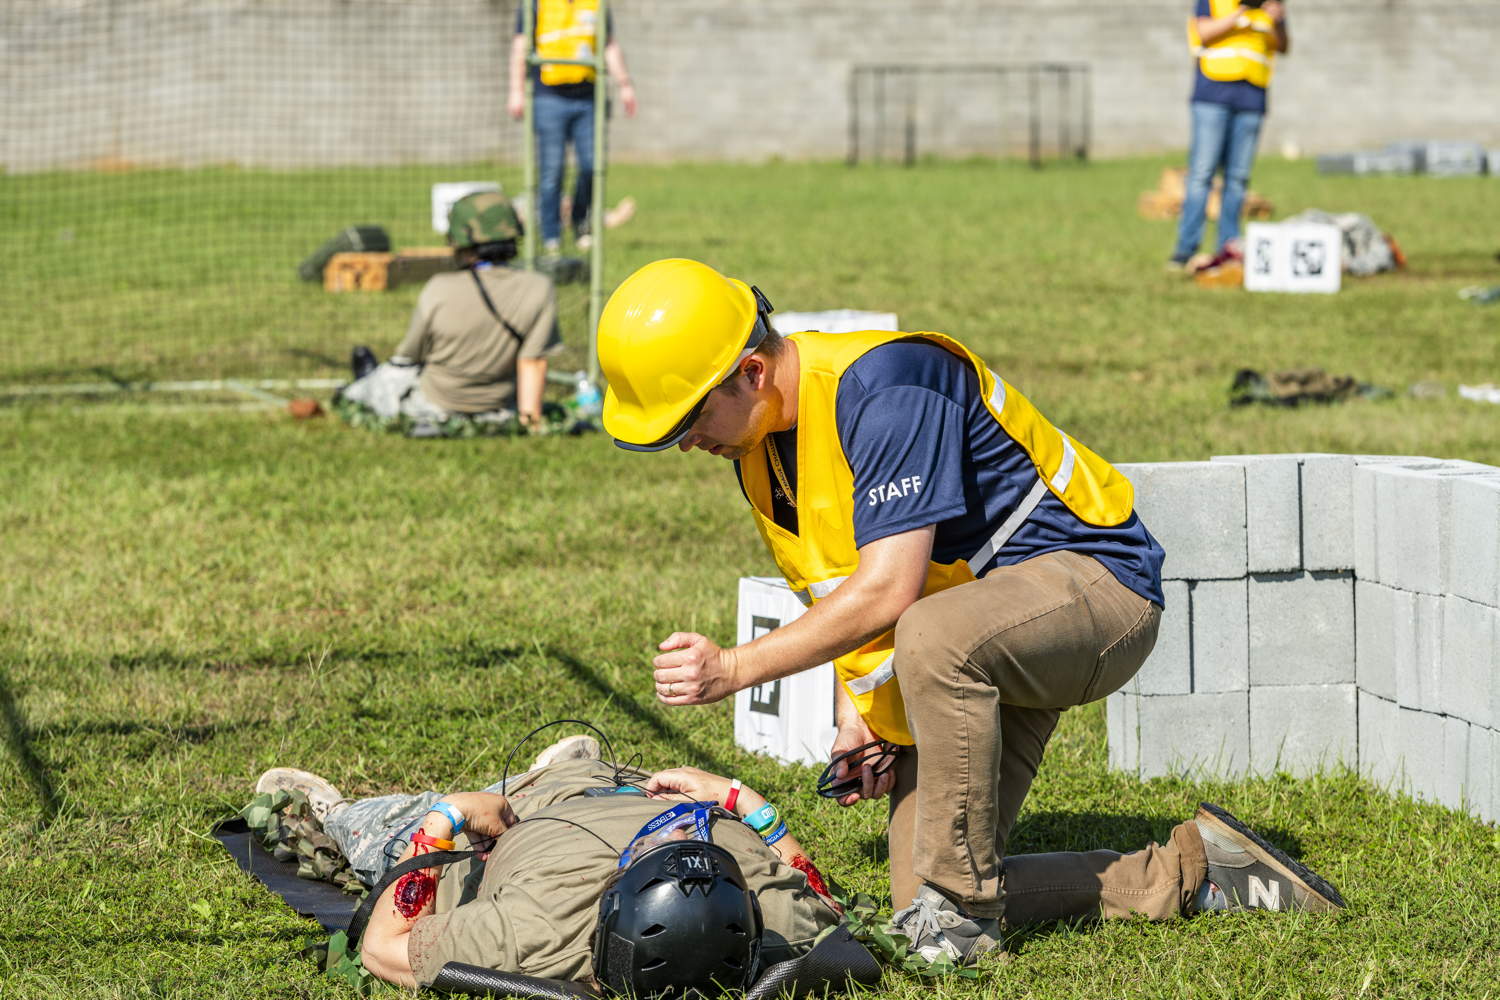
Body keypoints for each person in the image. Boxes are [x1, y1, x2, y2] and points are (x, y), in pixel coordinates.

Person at [595, 258, 1344, 966]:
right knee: (909, 896)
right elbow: (836, 590)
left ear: (751, 372)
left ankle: (961, 912)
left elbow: (890, 594)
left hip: (1100, 593)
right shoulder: (760, 450)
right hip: (976, 631)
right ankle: (1192, 871)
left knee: (937, 673)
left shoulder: (884, 387)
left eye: (687, 420)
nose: (687, 443)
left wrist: (733, 668)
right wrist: (864, 716)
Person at [253, 736, 844, 994]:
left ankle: (337, 816)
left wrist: (447, 819)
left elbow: (384, 947)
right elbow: (825, 902)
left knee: (386, 838)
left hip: (527, 813)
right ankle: (558, 768)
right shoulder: (772, 916)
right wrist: (739, 798)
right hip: (624, 785)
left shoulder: (533, 931)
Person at [337, 191, 561, 434]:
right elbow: (533, 361)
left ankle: (365, 381)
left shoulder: (440, 287)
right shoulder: (539, 288)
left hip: (436, 402)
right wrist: (530, 422)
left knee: (385, 378)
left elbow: (410, 354)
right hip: (498, 405)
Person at [508, 0, 638, 255]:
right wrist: (516, 91)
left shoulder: (596, 4)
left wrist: (625, 84)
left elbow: (608, 44)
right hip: (548, 97)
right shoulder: (535, 4)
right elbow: (520, 46)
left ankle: (581, 223)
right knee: (551, 172)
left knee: (592, 166)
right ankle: (551, 237)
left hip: (587, 97)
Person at [1169, 0, 1289, 274]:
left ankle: (1229, 249)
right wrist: (1240, 14)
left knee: (1238, 179)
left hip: (1252, 99)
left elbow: (1282, 46)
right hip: (1213, 95)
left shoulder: (1272, 4)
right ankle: (1185, 250)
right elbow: (1202, 33)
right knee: (1201, 174)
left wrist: (1277, 21)